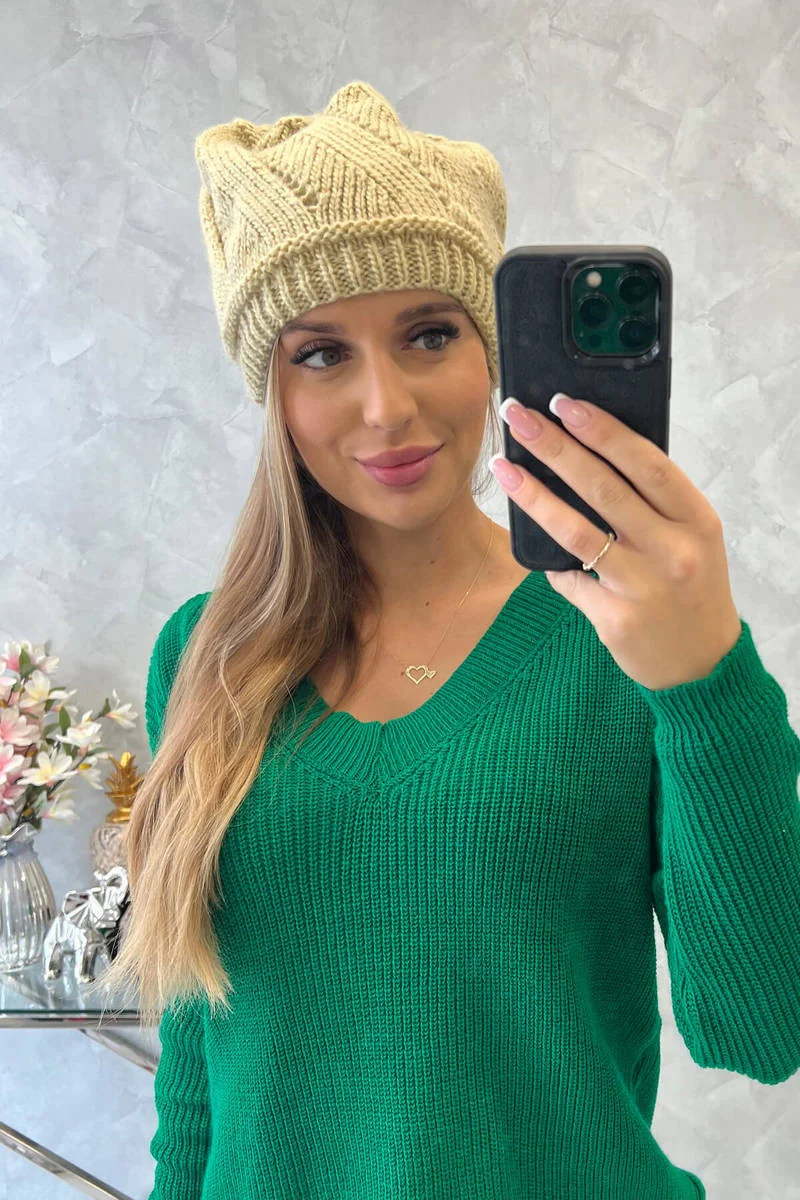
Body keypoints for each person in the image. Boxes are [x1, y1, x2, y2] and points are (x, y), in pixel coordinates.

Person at [102, 81, 800, 1200]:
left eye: (429, 334)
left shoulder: (623, 638)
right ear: (271, 391)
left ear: (495, 353)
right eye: (320, 354)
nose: (385, 407)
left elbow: (760, 1031)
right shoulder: (208, 654)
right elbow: (198, 1069)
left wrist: (706, 684)